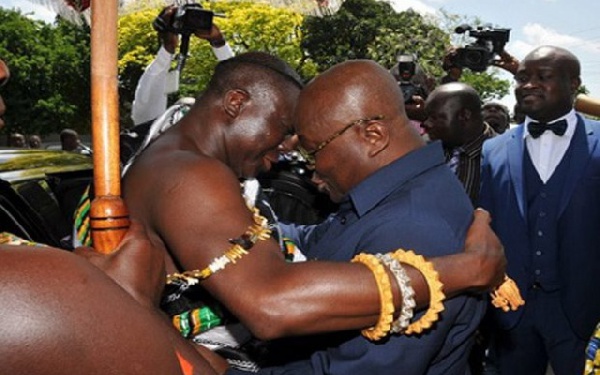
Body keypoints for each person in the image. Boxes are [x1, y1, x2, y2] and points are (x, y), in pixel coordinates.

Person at [121, 51, 508, 373]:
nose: (307, 168)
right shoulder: (390, 194)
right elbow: (319, 239)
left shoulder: (415, 226)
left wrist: (223, 371)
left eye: (312, 150)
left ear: (372, 135)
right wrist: (217, 229)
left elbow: (282, 314)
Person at [479, 45, 600, 375]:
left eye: (542, 77)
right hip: (511, 309)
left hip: (582, 309)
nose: (527, 85)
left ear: (574, 83)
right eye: (521, 78)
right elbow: (483, 222)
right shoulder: (494, 149)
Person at [421, 82, 496, 206]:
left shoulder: (504, 157)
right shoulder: (423, 149)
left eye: (434, 117)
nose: (426, 124)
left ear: (464, 116)